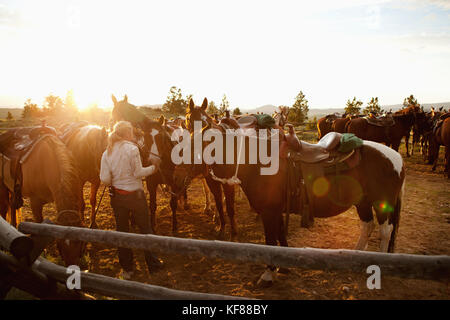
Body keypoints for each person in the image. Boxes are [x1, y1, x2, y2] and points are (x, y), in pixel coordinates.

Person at [100, 120, 163, 280]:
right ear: (127, 133)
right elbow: (138, 173)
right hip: (135, 196)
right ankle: (153, 265)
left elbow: (105, 180)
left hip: (117, 197)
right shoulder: (132, 149)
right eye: (132, 133)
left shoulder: (107, 152)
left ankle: (127, 269)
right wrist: (154, 168)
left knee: (122, 232)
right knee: (145, 230)